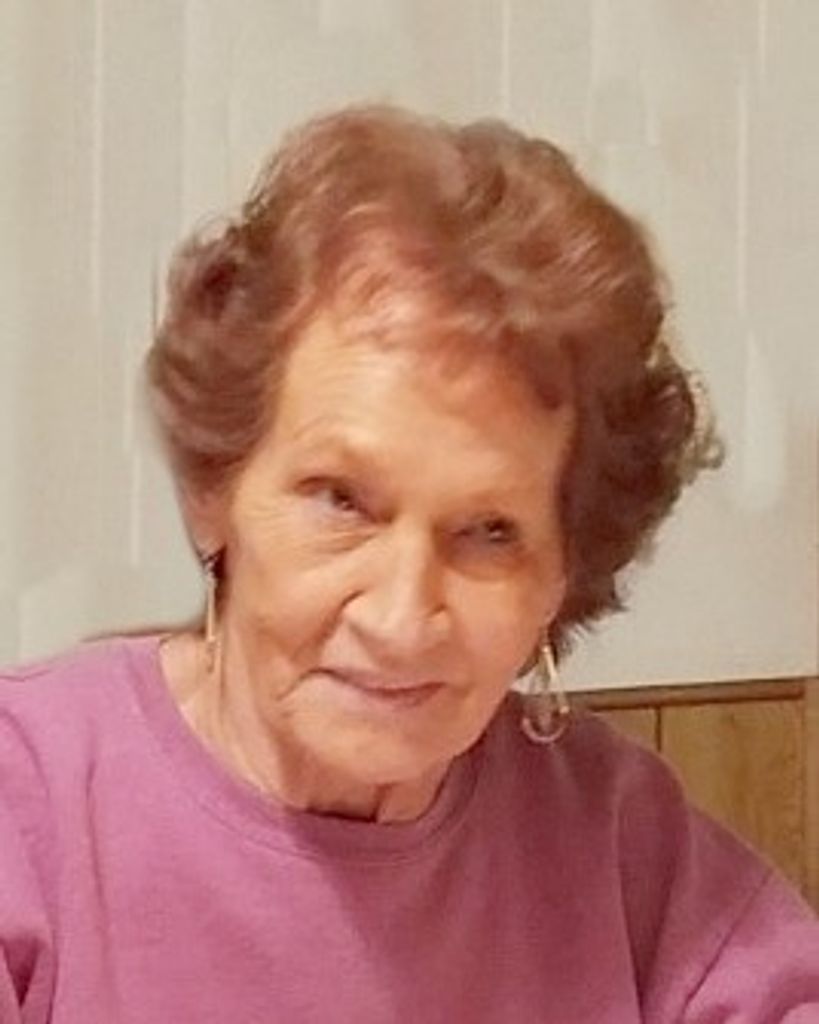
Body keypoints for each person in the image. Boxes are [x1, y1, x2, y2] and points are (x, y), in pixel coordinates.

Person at [1, 105, 817, 1024]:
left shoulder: (623, 846)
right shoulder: (27, 808)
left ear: (562, 574)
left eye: (490, 532)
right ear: (212, 489)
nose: (398, 620)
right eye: (340, 501)